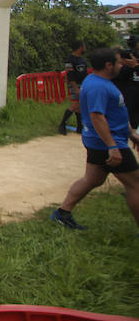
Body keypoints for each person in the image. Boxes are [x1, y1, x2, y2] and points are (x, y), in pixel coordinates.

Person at [50, 47, 139, 231]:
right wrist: (112, 146)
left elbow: (114, 113)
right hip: (108, 143)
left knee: (93, 179)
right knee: (136, 184)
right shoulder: (98, 86)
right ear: (108, 65)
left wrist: (131, 132)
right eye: (119, 62)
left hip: (102, 141)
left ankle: (62, 213)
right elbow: (97, 116)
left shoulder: (98, 81)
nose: (122, 66)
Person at [59, 40, 88, 135]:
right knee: (75, 105)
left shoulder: (82, 60)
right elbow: (70, 74)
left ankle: (80, 127)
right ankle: (62, 124)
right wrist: (75, 88)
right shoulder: (70, 59)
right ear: (80, 47)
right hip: (75, 84)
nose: (85, 48)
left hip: (83, 84)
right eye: (83, 46)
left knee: (79, 106)